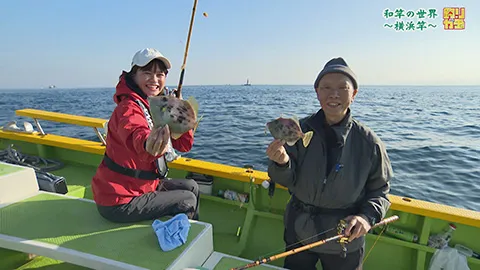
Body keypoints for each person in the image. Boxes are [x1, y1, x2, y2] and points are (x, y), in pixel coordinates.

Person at [266, 57, 393, 270]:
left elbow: (381, 191)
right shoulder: (300, 130)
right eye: (326, 87)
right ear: (317, 92)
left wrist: (366, 218)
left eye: (342, 88)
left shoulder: (369, 143)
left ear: (354, 94)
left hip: (344, 239)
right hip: (299, 231)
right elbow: (285, 179)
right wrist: (281, 164)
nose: (333, 94)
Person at [91, 48, 200, 223]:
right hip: (119, 200)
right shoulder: (128, 107)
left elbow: (183, 146)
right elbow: (135, 132)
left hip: (143, 188)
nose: (154, 80)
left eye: (160, 74)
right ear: (134, 75)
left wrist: (182, 114)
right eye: (147, 73)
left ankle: (190, 230)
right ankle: (178, 242)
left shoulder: (158, 106)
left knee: (192, 187)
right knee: (187, 200)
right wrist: (147, 143)